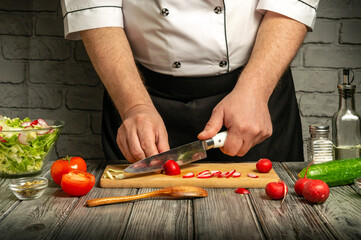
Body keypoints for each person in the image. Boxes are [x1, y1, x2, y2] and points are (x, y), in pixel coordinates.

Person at [60, 1, 319, 163]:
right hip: (139, 95)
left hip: (256, 92)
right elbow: (94, 8)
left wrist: (254, 90)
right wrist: (134, 106)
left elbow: (290, 3)